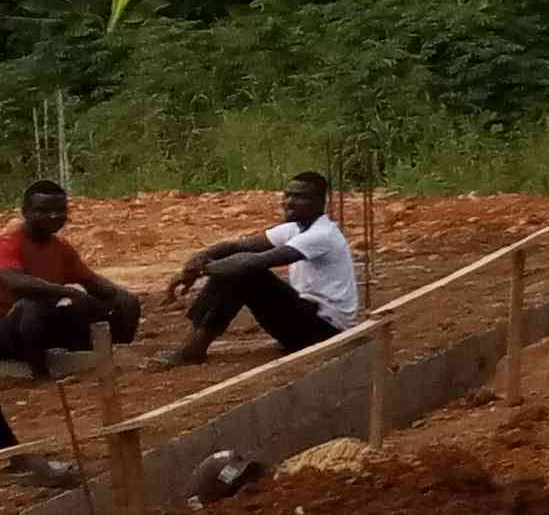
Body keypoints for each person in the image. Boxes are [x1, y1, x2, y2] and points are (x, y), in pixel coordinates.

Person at [1, 179, 135, 486]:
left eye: (58, 211)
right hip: (6, 329)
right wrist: (65, 292)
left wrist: (122, 299)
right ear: (25, 212)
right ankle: (38, 372)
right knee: (34, 305)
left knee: (111, 303)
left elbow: (93, 283)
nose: (51, 217)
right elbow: (16, 282)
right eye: (42, 211)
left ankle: (106, 353)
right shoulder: (9, 242)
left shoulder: (61, 248)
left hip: (36, 324)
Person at [168, 173, 360, 363]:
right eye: (287, 195)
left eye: (299, 197)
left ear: (319, 202)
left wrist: (200, 271)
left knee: (243, 272)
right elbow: (236, 247)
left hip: (326, 333)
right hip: (306, 321)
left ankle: (194, 348)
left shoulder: (322, 234)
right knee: (233, 265)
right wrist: (197, 260)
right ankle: (194, 341)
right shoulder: (295, 228)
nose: (289, 202)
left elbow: (254, 262)